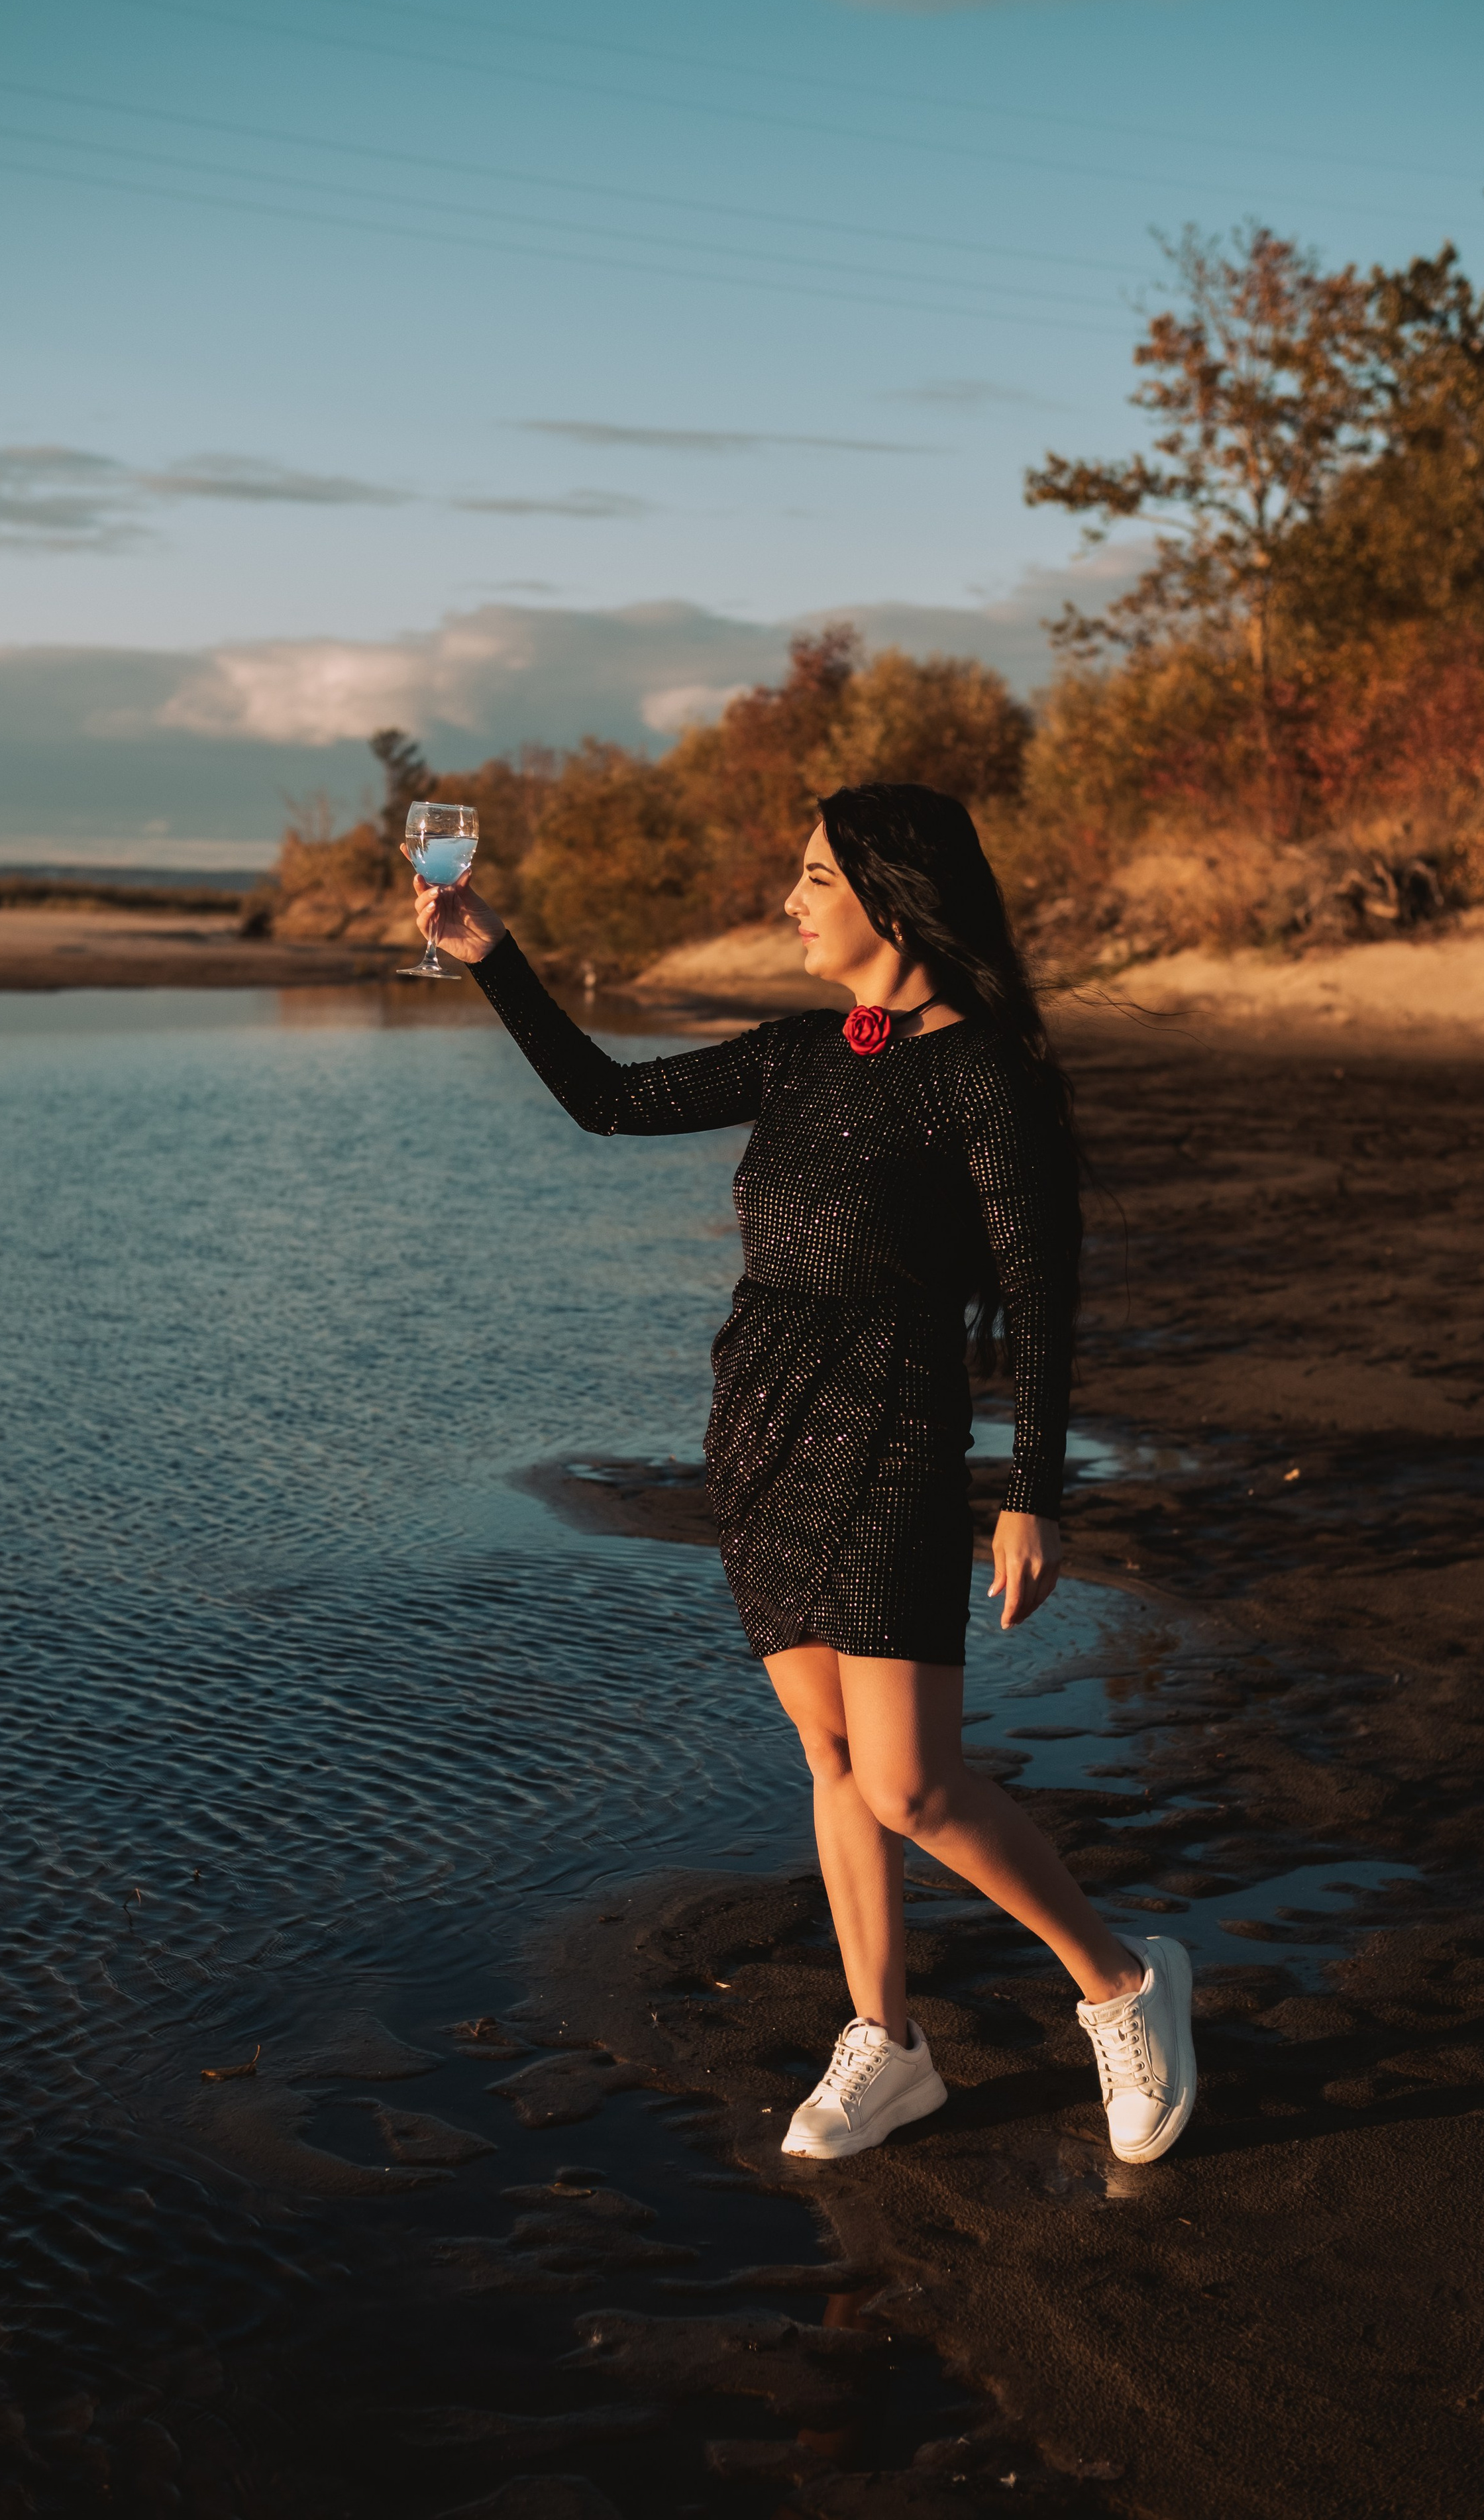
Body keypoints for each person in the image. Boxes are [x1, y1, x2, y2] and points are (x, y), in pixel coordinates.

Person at [413, 782, 1195, 2168]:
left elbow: (1038, 1287)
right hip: (759, 1425)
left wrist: (1034, 1491)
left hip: (891, 1422)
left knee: (911, 1782)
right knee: (831, 1757)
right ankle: (887, 2044)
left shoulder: (980, 1075)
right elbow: (605, 1101)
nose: (789, 903)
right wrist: (495, 962)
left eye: (813, 879)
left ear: (892, 899)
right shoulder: (796, 1053)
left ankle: (1123, 1983)